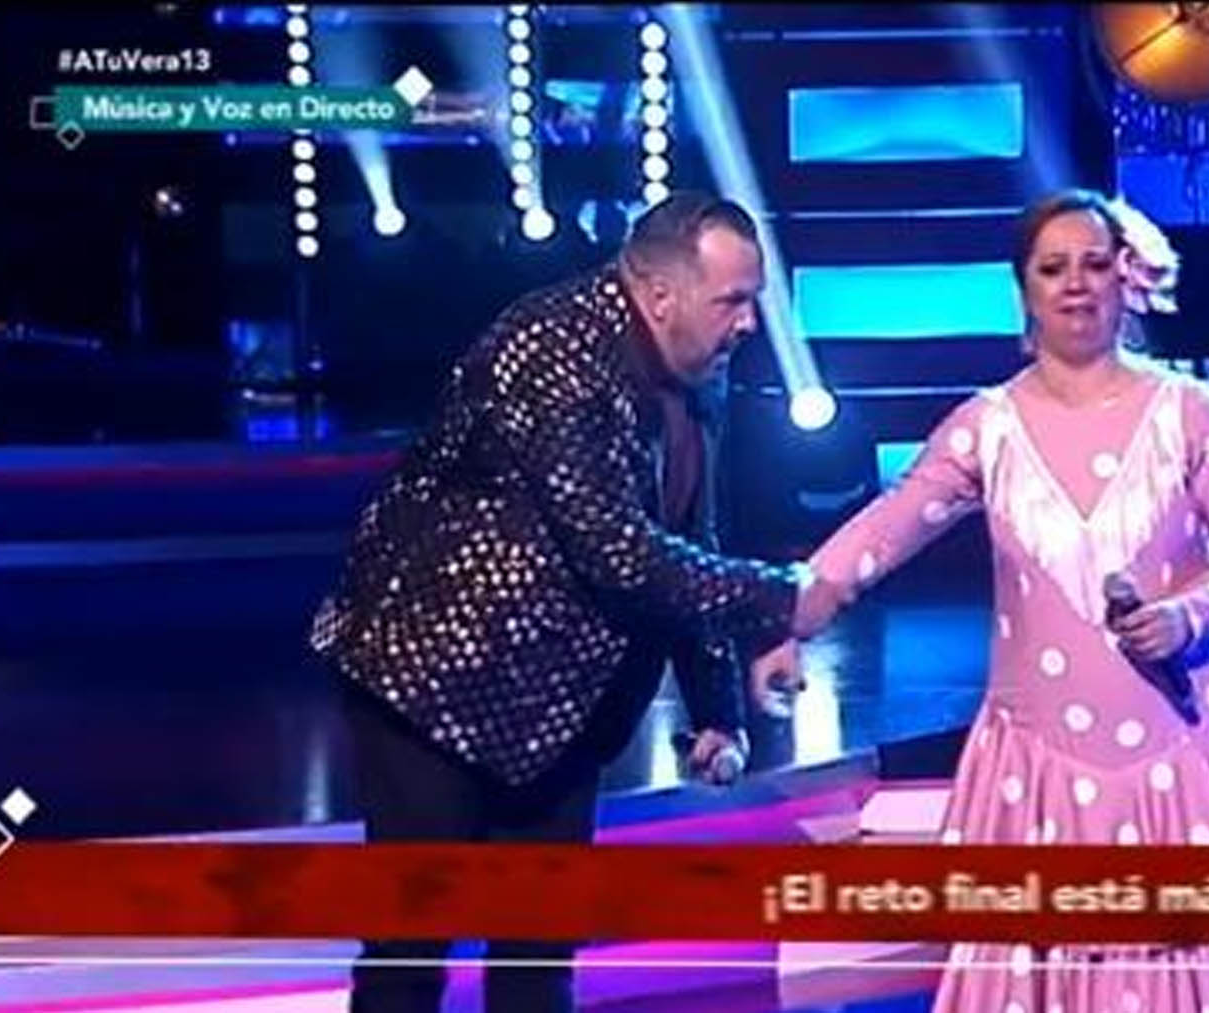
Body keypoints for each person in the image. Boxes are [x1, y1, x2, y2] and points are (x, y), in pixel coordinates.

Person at [774, 189, 1209, 1011]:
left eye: (1094, 263)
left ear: (1126, 278)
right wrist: (787, 616)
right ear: (1025, 290)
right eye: (1053, 268)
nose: (1076, 283)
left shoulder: (1190, 412)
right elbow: (886, 528)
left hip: (1186, 753)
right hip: (1039, 771)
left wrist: (1187, 614)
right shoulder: (987, 426)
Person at [308, 191, 831, 1013]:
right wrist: (781, 598)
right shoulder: (553, 346)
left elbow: (689, 527)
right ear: (660, 295)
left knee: (541, 946)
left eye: (754, 300)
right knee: (412, 943)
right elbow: (618, 550)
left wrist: (717, 708)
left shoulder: (699, 366)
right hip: (432, 680)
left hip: (558, 703)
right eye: (733, 300)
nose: (750, 324)